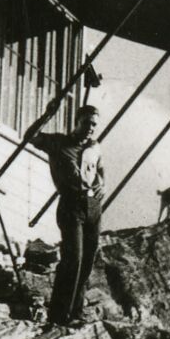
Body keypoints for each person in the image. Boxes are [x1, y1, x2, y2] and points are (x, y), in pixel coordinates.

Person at [27, 100, 104, 327]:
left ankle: (76, 314)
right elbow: (30, 136)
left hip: (93, 207)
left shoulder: (94, 146)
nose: (91, 128)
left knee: (87, 262)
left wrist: (103, 182)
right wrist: (47, 114)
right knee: (74, 259)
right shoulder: (58, 142)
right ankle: (59, 316)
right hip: (71, 205)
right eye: (88, 123)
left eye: (94, 125)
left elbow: (99, 166)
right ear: (77, 122)